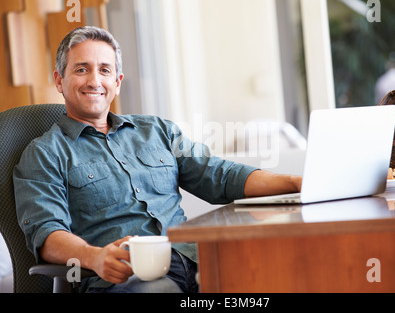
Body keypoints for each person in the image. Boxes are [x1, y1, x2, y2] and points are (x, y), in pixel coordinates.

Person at [13, 26, 301, 293]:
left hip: (195, 260)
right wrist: (95, 256)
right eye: (81, 69)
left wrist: (297, 182)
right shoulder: (44, 153)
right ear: (59, 80)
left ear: (117, 82)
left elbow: (219, 175)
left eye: (104, 70)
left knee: (274, 276)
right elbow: (47, 232)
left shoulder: (158, 131)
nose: (95, 81)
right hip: (125, 278)